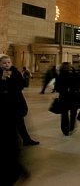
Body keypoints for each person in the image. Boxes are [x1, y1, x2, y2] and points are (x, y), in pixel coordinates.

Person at [0, 54, 30, 184]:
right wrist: (2, 79)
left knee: (12, 139)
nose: (7, 65)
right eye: (4, 63)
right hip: (3, 111)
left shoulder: (16, 73)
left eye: (8, 62)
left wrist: (11, 81)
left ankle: (17, 169)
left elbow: (22, 85)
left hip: (15, 108)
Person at [55, 62, 80, 136]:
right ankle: (71, 127)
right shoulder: (75, 75)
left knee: (64, 114)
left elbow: (57, 88)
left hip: (64, 97)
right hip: (74, 96)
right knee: (73, 113)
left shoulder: (60, 76)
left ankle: (65, 129)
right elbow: (79, 85)